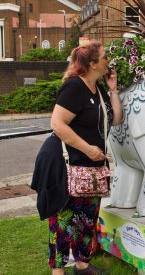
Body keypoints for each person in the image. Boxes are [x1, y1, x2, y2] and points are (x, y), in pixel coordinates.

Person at [32, 41, 123, 275]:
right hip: (65, 162)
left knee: (87, 217)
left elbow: (116, 120)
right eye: (104, 58)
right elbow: (57, 124)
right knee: (64, 220)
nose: (108, 62)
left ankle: (82, 264)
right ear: (92, 64)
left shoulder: (98, 88)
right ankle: (58, 271)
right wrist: (88, 148)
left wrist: (113, 89)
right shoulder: (74, 87)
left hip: (90, 166)